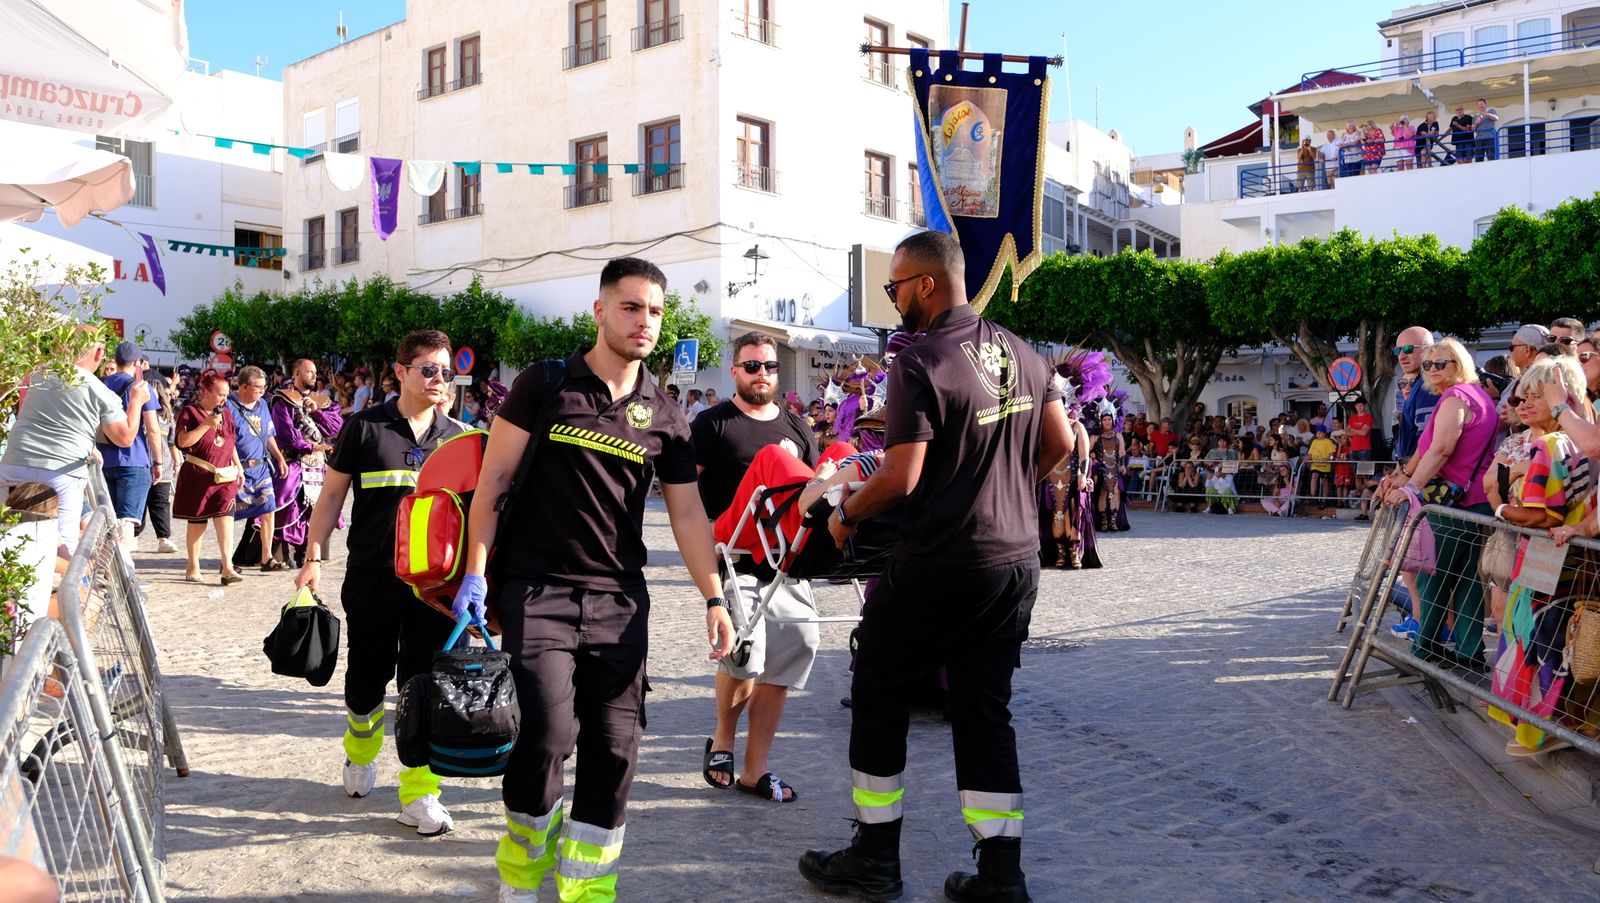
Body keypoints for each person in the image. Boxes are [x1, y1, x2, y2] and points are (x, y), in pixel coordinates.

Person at [447, 259, 735, 902]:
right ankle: (520, 875)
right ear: (600, 311)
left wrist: (713, 596)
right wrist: (476, 575)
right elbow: (492, 482)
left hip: (619, 601)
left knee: (616, 748)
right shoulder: (546, 385)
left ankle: (588, 891)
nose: (645, 322)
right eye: (632, 307)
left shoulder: (665, 412)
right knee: (546, 738)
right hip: (535, 591)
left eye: (656, 311)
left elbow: (687, 513)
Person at [799, 230, 1069, 903]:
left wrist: (846, 513)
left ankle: (875, 856)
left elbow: (901, 476)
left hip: (939, 561)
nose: (893, 302)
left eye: (895, 288)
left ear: (925, 284)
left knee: (879, 692)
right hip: (1014, 563)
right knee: (985, 713)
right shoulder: (1023, 352)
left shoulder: (919, 359)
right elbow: (1061, 443)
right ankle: (1000, 877)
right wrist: (1002, 489)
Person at [290, 331, 465, 834]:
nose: (437, 379)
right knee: (367, 681)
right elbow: (329, 500)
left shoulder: (458, 436)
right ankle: (360, 753)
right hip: (372, 578)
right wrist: (314, 558)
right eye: (427, 369)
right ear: (401, 372)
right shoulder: (363, 428)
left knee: (424, 686)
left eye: (445, 372)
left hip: (436, 589)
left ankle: (419, 791)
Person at [691, 331, 819, 803]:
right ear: (735, 371)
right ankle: (723, 737)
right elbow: (684, 491)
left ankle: (754, 770)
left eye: (768, 366)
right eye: (751, 366)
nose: (761, 374)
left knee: (791, 654)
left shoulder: (796, 425)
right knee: (745, 654)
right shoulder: (713, 424)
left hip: (784, 556)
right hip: (735, 547)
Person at [1489, 357, 1592, 756]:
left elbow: (1540, 514)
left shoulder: (1549, 444)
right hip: (1567, 561)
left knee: (1534, 643)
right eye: (1522, 395)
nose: (1524, 403)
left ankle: (1532, 733)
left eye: (1535, 395)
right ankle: (1551, 726)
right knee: (1554, 643)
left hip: (1544, 559)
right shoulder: (1574, 441)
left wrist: (1501, 509)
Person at [1383, 339, 1497, 669]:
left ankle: (1425, 648)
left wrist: (1412, 489)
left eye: (1441, 363)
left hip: (1454, 503)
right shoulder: (1480, 397)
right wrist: (1404, 476)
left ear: (1458, 365)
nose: (1432, 370)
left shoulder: (1456, 396)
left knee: (1434, 577)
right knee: (1467, 580)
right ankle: (1469, 651)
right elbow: (1428, 448)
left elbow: (1441, 449)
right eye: (1428, 365)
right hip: (1475, 502)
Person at [0, 334, 149, 559]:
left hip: (14, 463)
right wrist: (137, 400)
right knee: (64, 547)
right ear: (99, 353)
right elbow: (125, 438)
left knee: (5, 533)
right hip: (62, 471)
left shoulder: (37, 375)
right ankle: (67, 589)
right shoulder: (97, 389)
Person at [171, 371, 245, 585]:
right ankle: (193, 564)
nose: (224, 399)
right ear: (205, 392)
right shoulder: (190, 412)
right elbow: (183, 442)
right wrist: (206, 425)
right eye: (220, 394)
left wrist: (238, 466)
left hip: (224, 475)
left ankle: (227, 567)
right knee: (198, 522)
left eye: (226, 394)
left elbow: (229, 441)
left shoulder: (227, 413)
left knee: (225, 517)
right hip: (198, 474)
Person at [269, 359, 343, 568]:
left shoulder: (323, 401)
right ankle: (287, 548)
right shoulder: (283, 399)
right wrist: (308, 446)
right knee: (291, 503)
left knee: (317, 507)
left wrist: (316, 412)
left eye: (314, 372)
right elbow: (284, 432)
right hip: (294, 460)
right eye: (308, 372)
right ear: (296, 374)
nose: (313, 375)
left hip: (317, 464)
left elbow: (335, 428)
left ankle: (308, 549)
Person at [94, 341, 165, 552]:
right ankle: (124, 573)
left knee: (107, 522)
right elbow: (153, 430)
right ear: (137, 363)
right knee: (126, 522)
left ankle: (107, 572)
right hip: (134, 460)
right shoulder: (142, 388)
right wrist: (158, 462)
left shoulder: (100, 385)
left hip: (103, 461)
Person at [227, 366, 290, 571]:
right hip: (237, 469)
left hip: (261, 467)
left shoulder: (263, 404)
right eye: (258, 387)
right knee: (227, 515)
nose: (263, 391)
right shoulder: (228, 406)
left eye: (265, 387)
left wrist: (279, 457)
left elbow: (268, 433)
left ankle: (266, 557)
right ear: (243, 386)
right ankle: (226, 561)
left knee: (268, 510)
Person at [134, 374, 180, 553]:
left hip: (164, 466)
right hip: (142, 463)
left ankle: (164, 538)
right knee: (140, 501)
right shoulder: (137, 414)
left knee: (160, 502)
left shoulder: (167, 416)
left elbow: (172, 443)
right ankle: (134, 535)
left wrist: (177, 462)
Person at [1472, 98, 1499, 162]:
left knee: (1491, 157)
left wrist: (1487, 114)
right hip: (1479, 139)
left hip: (1489, 137)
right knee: (1478, 159)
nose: (1481, 106)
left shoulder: (1491, 111)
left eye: (1482, 104)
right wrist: (1476, 123)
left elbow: (1496, 118)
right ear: (1477, 106)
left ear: (1485, 104)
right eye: (1479, 105)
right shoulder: (1475, 116)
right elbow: (1473, 129)